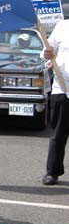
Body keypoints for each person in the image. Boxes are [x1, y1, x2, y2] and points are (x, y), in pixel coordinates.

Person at [41, 18, 69, 186]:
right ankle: (52, 172)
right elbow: (46, 50)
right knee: (58, 134)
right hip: (62, 88)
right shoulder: (62, 26)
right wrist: (47, 54)